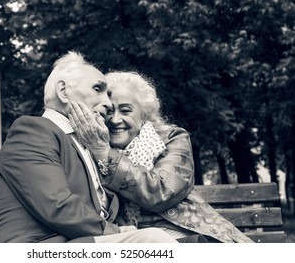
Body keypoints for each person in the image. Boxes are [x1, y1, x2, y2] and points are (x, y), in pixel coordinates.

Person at [0, 52, 177, 243]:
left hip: (80, 245)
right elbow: (57, 205)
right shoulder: (32, 132)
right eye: (98, 89)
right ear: (63, 91)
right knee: (152, 241)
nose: (109, 104)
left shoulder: (85, 143)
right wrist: (117, 232)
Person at [69, 71, 254, 243]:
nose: (115, 120)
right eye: (109, 111)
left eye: (126, 111)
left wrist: (104, 154)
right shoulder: (88, 147)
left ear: (145, 115)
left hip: (187, 236)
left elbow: (161, 192)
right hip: (130, 241)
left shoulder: (171, 138)